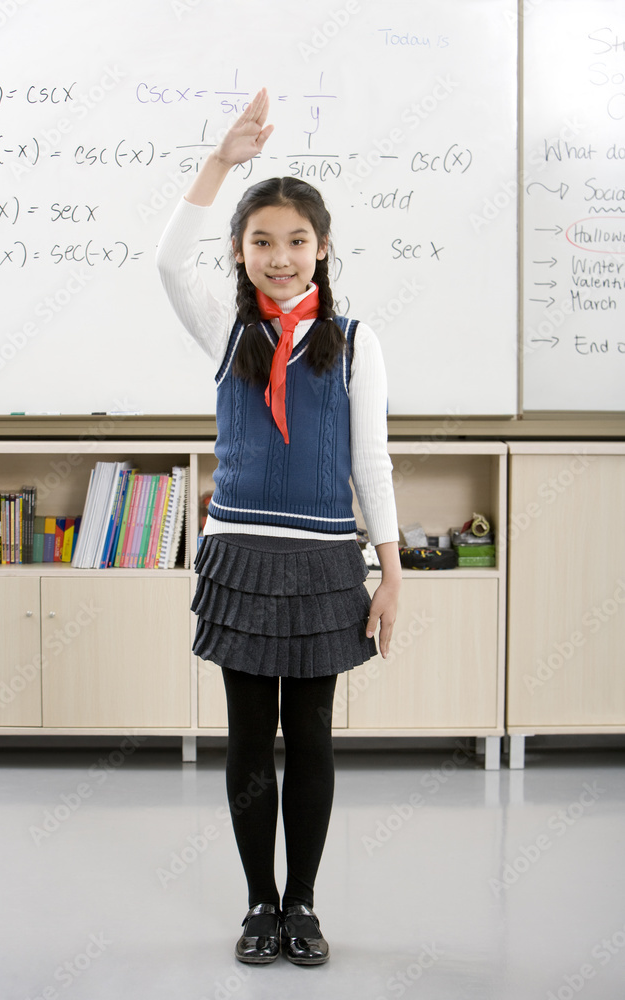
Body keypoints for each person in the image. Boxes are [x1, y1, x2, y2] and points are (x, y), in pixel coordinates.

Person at [156, 88, 401, 966]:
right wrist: (223, 161)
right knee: (249, 738)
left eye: (297, 241)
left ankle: (304, 904)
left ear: (323, 249)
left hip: (326, 564)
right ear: (240, 250)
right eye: (262, 241)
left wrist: (391, 571)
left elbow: (369, 465)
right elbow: (162, 260)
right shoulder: (226, 326)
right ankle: (258, 902)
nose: (280, 256)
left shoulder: (355, 340)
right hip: (240, 557)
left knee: (314, 736)